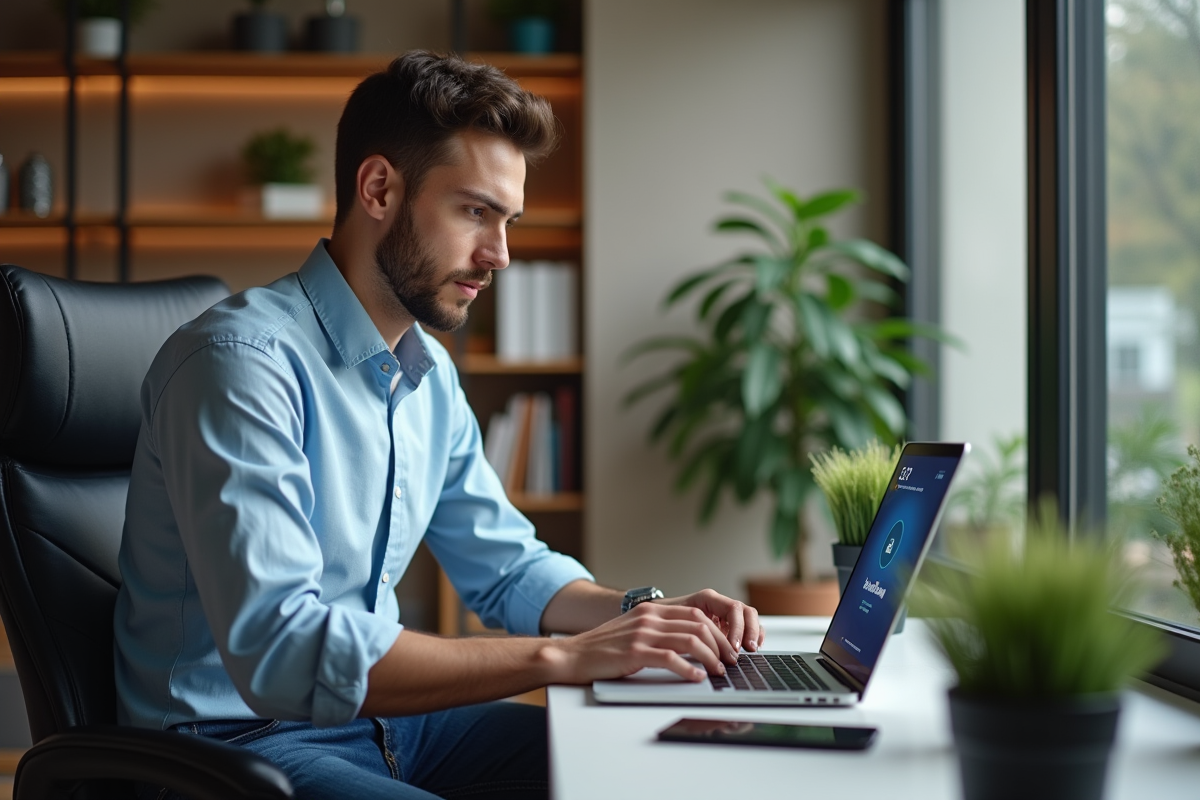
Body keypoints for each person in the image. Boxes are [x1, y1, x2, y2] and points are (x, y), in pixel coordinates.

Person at [114, 51, 763, 800]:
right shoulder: (238, 364)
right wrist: (564, 659)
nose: (501, 256)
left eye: (508, 221)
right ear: (379, 188)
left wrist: (643, 615)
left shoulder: (428, 378)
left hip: (386, 727)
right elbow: (284, 653)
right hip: (229, 747)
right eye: (475, 212)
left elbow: (509, 567)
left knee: (655, 770)